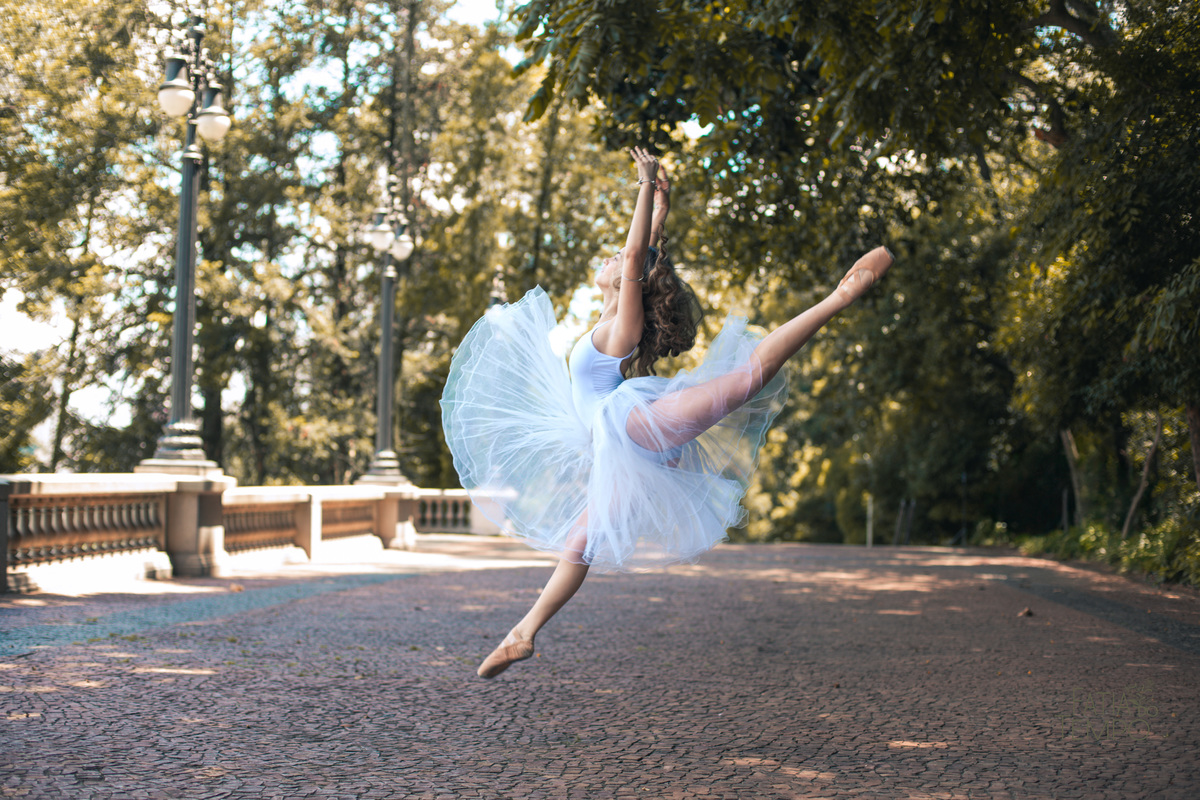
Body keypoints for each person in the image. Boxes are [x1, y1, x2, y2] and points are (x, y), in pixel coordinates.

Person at [441, 147, 894, 678]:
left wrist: (644, 183)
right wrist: (659, 211)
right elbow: (642, 261)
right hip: (620, 437)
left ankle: (839, 297)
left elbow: (636, 263)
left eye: (618, 259)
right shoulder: (611, 317)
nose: (613, 258)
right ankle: (523, 633)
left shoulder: (621, 329)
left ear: (625, 281)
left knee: (745, 378)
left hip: (629, 423)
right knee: (580, 542)